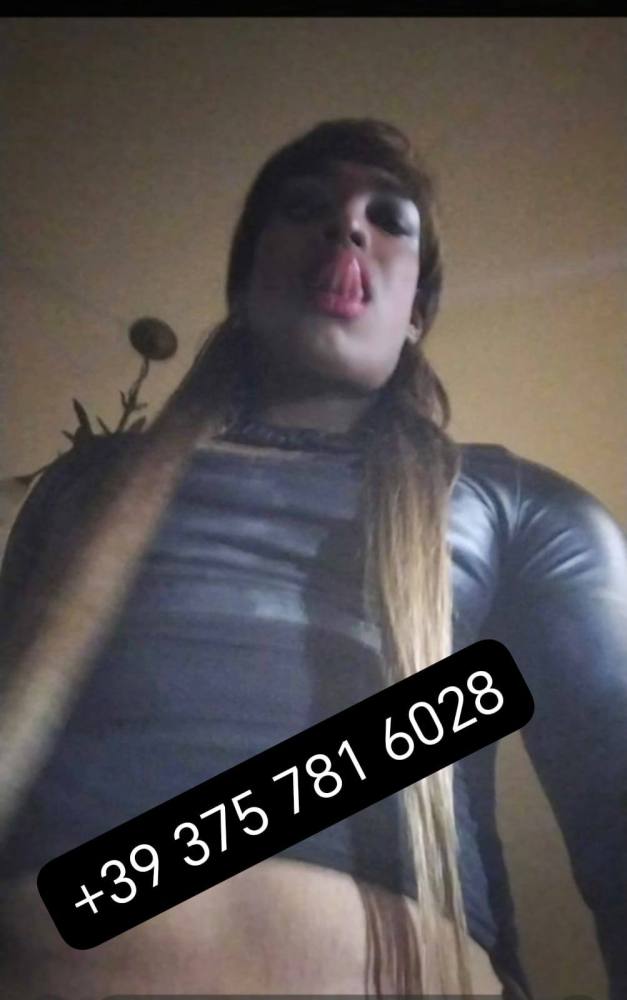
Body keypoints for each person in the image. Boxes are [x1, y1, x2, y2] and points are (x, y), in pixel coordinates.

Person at [0, 118, 625, 1000]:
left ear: (416, 310)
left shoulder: (518, 506)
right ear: (244, 285)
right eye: (304, 208)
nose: (346, 226)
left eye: (389, 218)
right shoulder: (84, 486)